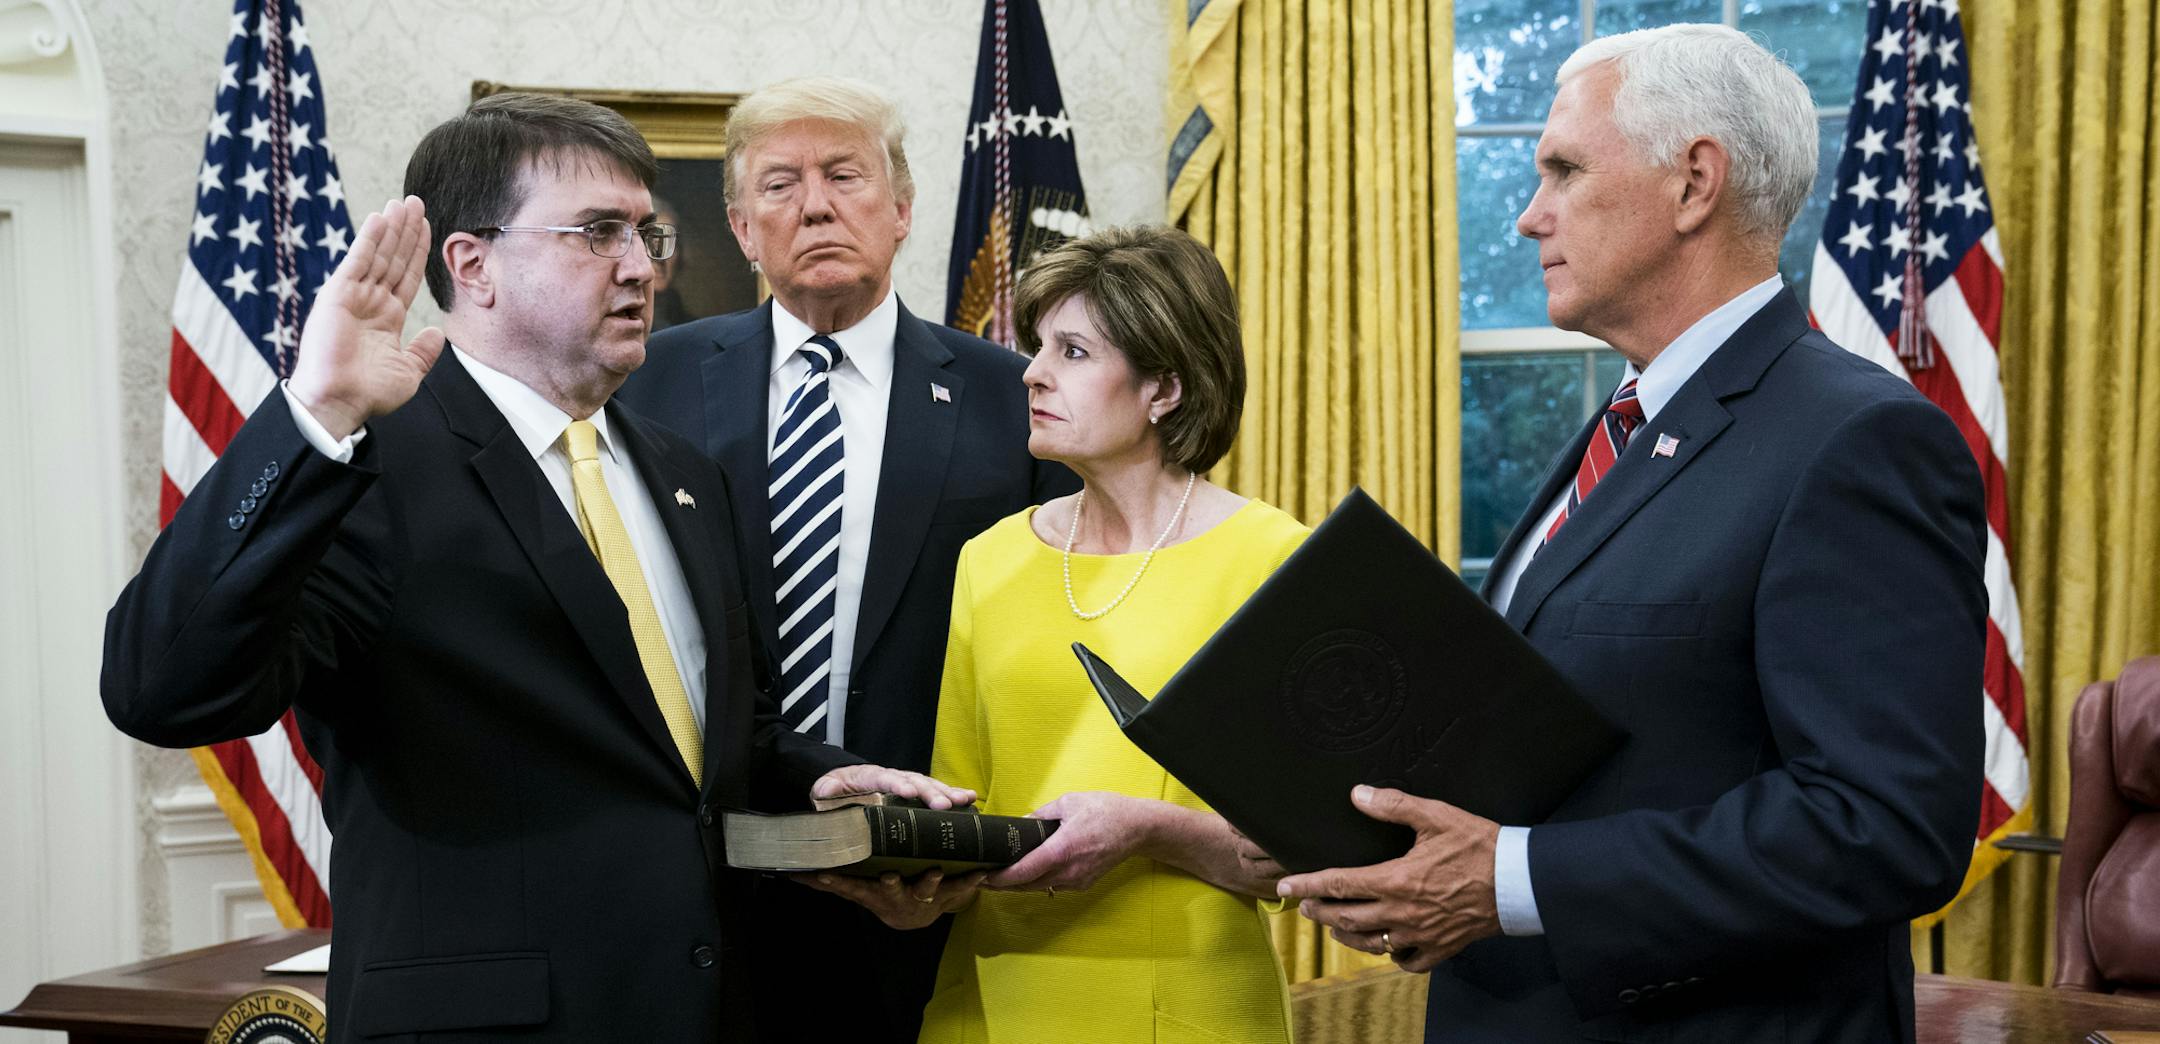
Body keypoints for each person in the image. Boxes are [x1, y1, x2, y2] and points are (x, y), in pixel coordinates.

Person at [100, 93, 968, 1041]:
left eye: (646, 233)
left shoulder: (681, 472)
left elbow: (710, 742)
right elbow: (161, 687)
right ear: (474, 266)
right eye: (598, 233)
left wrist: (816, 780)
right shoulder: (368, 465)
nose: (641, 267)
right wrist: (313, 414)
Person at [1280, 23, 1989, 1043]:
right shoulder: (1625, 429)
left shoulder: (1858, 440)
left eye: (1563, 170)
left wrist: (1514, 883)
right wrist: (1340, 823)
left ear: (1695, 182)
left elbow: (1884, 826)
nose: (1528, 218)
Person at [615, 76, 1073, 1043]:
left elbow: (1056, 638)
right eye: (778, 186)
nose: (814, 204)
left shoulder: (1011, 398)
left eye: (844, 175)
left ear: (902, 208)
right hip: (703, 884)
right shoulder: (645, 385)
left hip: (923, 881)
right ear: (741, 229)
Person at [809, 225, 1305, 1043]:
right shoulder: (990, 558)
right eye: (1039, 346)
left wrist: (1148, 829)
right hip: (984, 1002)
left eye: (1073, 351)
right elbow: (962, 799)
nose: (1032, 372)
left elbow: (1295, 855)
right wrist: (914, 880)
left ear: (1164, 390)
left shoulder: (1271, 559)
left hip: (1185, 1006)